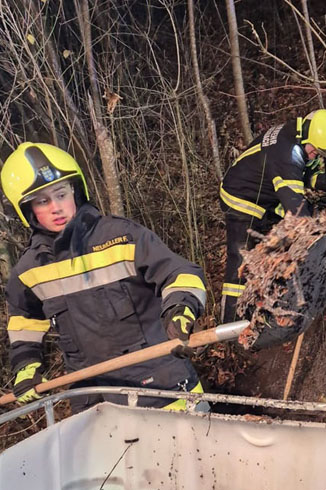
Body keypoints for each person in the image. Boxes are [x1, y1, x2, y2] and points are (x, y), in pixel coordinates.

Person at [1, 142, 208, 413]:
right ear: (26, 210)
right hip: (95, 402)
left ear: (76, 190)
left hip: (165, 389)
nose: (56, 208)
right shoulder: (28, 271)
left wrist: (180, 308)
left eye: (61, 194)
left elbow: (178, 273)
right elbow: (24, 321)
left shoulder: (122, 237)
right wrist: (26, 365)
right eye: (43, 201)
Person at [219, 108, 326, 323]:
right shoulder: (285, 154)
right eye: (315, 151)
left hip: (265, 195)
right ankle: (230, 324)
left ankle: (270, 298)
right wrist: (314, 239)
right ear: (308, 136)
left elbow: (302, 171)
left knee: (274, 249)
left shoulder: (297, 132)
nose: (315, 155)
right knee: (240, 261)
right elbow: (296, 209)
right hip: (241, 198)